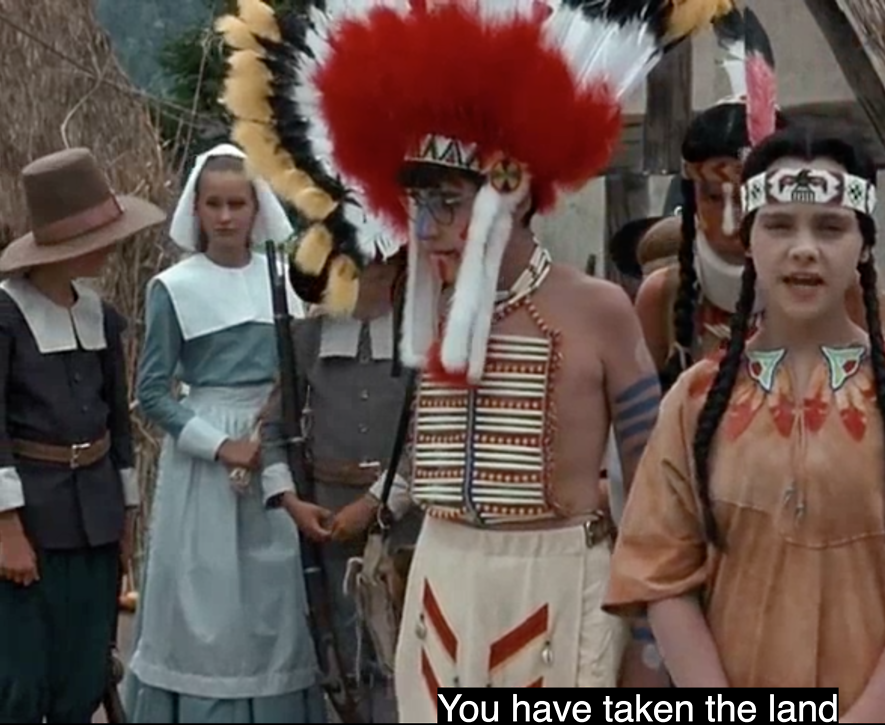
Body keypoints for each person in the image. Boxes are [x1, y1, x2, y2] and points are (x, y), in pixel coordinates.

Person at [216, 0, 728, 717]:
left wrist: (649, 646)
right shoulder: (426, 307)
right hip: (439, 588)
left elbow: (654, 495)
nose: (427, 228)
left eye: (449, 202)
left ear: (510, 195)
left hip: (556, 591)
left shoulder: (599, 310)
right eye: (417, 203)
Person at [604, 122, 885, 720]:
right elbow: (661, 571)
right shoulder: (696, 398)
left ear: (863, 245)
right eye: (780, 225)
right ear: (750, 239)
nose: (804, 249)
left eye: (831, 227)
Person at [123, 143, 321, 723]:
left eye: (238, 203)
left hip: (276, 449)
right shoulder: (175, 286)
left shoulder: (285, 281)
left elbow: (303, 369)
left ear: (258, 208)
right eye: (215, 204)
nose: (227, 216)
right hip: (206, 464)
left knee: (276, 600)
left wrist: (276, 428)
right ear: (197, 208)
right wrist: (220, 445)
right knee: (207, 603)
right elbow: (153, 392)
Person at [0, 148, 160, 723]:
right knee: (20, 678)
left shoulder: (101, 316)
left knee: (85, 671)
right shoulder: (6, 318)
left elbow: (118, 423)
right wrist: (6, 529)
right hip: (29, 524)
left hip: (95, 518)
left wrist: (124, 515)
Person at [260, 255, 422, 722]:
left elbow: (431, 436)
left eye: (380, 268)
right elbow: (273, 429)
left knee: (403, 649)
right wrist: (291, 500)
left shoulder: (423, 335)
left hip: (404, 519)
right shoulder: (307, 337)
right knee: (342, 654)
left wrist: (375, 503)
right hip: (326, 516)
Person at [634, 6, 787, 388]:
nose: (732, 222)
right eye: (713, 198)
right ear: (692, 201)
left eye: (746, 198)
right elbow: (640, 418)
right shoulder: (662, 295)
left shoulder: (834, 286)